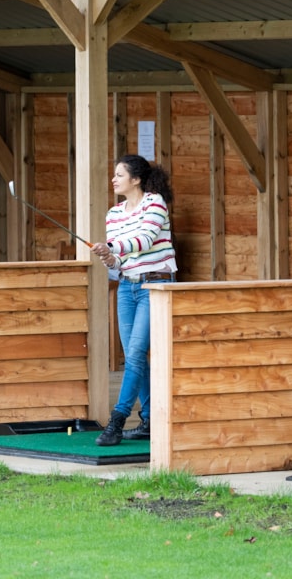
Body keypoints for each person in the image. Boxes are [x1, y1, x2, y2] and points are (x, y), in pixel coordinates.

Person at [90, 155, 177, 446]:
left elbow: (145, 239)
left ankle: (117, 419)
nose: (113, 180)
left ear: (136, 180)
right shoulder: (113, 213)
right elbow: (119, 261)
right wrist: (109, 257)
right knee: (134, 358)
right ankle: (150, 420)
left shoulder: (155, 202)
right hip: (127, 288)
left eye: (119, 175)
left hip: (156, 285)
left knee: (137, 353)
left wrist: (113, 246)